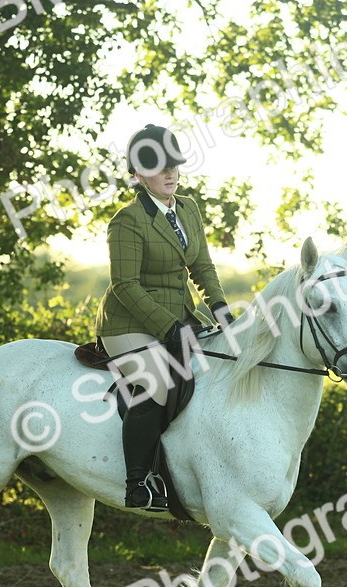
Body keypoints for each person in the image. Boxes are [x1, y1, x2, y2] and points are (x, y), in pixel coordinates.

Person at [95, 124, 235, 512]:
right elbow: (125, 285)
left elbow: (202, 266)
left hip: (179, 317)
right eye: (159, 167)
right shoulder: (127, 221)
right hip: (128, 323)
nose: (171, 173)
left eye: (174, 164)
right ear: (139, 175)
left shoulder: (188, 208)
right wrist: (169, 328)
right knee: (159, 380)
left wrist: (221, 311)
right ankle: (138, 483)